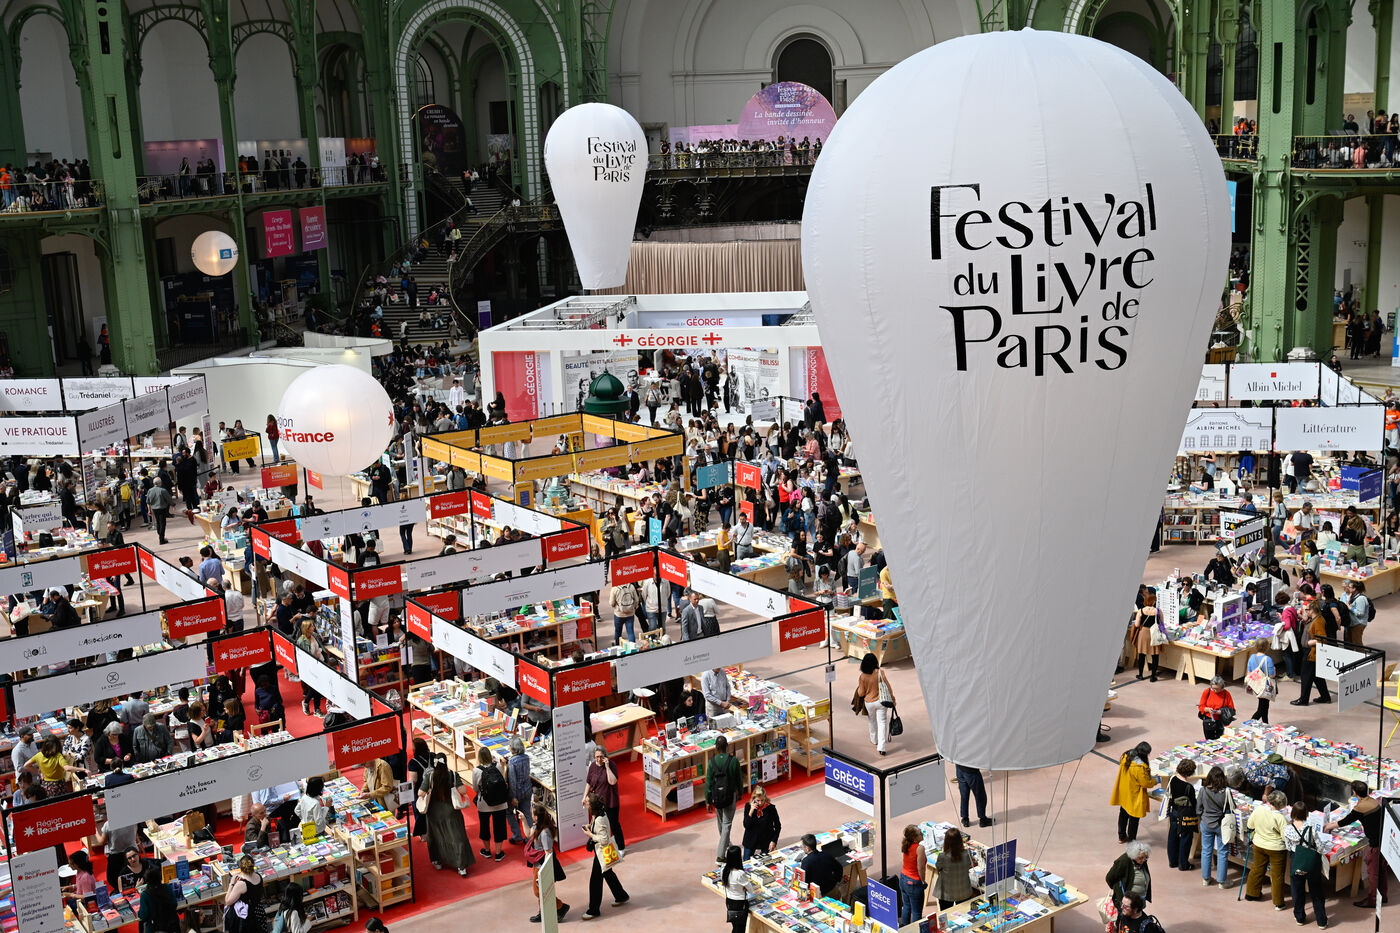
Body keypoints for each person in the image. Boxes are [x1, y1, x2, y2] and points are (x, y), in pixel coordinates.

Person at [1326, 780, 1387, 907]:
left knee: (1373, 873)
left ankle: (1373, 900)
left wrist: (1329, 826)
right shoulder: (1373, 802)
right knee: (1381, 870)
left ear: (1354, 792)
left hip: (1375, 844)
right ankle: (1383, 895)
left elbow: (1346, 821)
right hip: (1383, 840)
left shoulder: (1360, 808)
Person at [419, 757, 473, 876]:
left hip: (434, 812)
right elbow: (463, 790)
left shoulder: (430, 776)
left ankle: (437, 861)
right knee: (457, 837)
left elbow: (420, 793)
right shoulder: (452, 775)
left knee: (436, 836)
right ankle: (461, 866)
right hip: (451, 811)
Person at [582, 794, 629, 920]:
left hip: (601, 853)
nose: (585, 802)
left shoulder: (599, 819)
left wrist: (590, 835)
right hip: (602, 853)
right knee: (608, 874)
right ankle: (621, 896)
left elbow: (604, 839)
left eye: (587, 801)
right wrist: (590, 827)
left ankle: (593, 910)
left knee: (595, 882)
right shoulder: (599, 815)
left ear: (592, 806)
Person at [1284, 800, 1328, 927]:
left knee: (1297, 890)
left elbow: (1288, 846)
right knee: (1316, 891)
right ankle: (1321, 921)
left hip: (1296, 859)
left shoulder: (1287, 829)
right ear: (1306, 814)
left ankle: (1300, 917)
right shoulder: (1311, 829)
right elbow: (1320, 848)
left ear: (1293, 813)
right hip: (1311, 861)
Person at [524, 801, 569, 924]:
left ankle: (560, 906)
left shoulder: (544, 833)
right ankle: (542, 912)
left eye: (532, 814)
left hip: (542, 866)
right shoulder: (537, 827)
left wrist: (544, 871)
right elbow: (528, 834)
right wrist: (523, 820)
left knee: (538, 891)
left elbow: (548, 852)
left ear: (536, 817)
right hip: (537, 864)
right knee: (540, 890)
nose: (531, 816)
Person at [1244, 790, 1289, 908]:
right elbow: (1285, 837)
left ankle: (1251, 893)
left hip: (1259, 844)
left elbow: (1250, 825)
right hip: (1276, 848)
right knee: (1277, 875)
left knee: (1257, 868)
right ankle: (1278, 903)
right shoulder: (1280, 818)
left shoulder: (1259, 809)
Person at [705, 734, 743, 863]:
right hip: (730, 796)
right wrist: (740, 792)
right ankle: (720, 856)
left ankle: (726, 843)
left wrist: (708, 801)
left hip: (717, 797)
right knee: (726, 824)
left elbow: (708, 783)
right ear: (727, 746)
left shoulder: (711, 762)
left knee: (721, 822)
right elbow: (739, 779)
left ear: (716, 747)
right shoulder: (734, 761)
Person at [1110, 742, 1156, 843]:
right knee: (1134, 820)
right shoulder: (1140, 768)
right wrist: (1155, 780)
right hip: (1135, 795)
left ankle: (1121, 836)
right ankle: (1132, 841)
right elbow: (1145, 783)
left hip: (1124, 792)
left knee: (1123, 814)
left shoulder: (1126, 756)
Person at [470, 747, 509, 862]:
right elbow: (502, 781)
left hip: (484, 804)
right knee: (499, 827)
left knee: (484, 827)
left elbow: (475, 788)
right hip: (500, 803)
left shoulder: (476, 771)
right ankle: (498, 853)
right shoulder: (497, 766)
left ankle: (487, 850)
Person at [1292, 600, 1333, 706]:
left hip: (1311, 652)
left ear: (1312, 610)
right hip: (1311, 652)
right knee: (1316, 676)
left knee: (1305, 676)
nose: (1306, 611)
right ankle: (1325, 696)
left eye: (1307, 610)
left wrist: (1310, 642)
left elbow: (1322, 638)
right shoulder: (1314, 619)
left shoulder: (1318, 621)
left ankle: (1303, 699)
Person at [583, 746, 624, 853]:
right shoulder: (592, 766)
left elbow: (612, 781)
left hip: (610, 801)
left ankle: (621, 847)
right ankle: (600, 846)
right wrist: (584, 796)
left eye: (601, 757)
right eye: (597, 757)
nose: (599, 759)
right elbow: (588, 782)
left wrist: (607, 767)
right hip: (598, 803)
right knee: (598, 824)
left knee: (614, 824)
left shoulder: (612, 765)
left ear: (605, 756)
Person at [855, 652, 895, 755]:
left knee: (872, 720)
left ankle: (874, 739)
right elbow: (888, 687)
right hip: (881, 701)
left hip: (869, 702)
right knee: (882, 722)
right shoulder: (880, 673)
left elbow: (861, 693)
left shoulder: (862, 676)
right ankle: (882, 747)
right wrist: (893, 699)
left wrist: (859, 689)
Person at [933, 825, 979, 909]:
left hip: (946, 893)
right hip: (963, 891)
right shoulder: (967, 853)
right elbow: (973, 863)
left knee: (946, 913)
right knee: (963, 913)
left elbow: (938, 868)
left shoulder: (942, 856)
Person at [1165, 759, 1198, 871]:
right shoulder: (1188, 787)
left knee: (1172, 835)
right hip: (1185, 814)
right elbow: (1193, 803)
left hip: (1174, 811)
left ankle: (1172, 861)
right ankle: (1183, 864)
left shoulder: (1172, 779)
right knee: (1186, 838)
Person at [1105, 841, 1153, 917]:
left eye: (1146, 857)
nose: (1144, 860)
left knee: (1137, 919)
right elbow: (1109, 878)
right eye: (1141, 858)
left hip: (1139, 900)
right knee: (1125, 921)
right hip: (1127, 903)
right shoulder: (1124, 861)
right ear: (1133, 856)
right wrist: (1118, 891)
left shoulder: (1142, 861)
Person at [223, 853, 268, 933]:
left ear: (241, 868)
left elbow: (228, 901)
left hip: (247, 917)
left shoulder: (241, 884)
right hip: (259, 911)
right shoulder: (258, 876)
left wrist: (232, 884)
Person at [1130, 590, 1166, 681]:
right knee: (1155, 656)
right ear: (1153, 601)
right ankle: (1153, 676)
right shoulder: (1158, 611)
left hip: (1143, 633)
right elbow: (1162, 623)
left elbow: (1137, 624)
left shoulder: (1141, 611)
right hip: (1154, 634)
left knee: (1142, 655)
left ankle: (1140, 675)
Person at [721, 844, 757, 933]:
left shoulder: (724, 870)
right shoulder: (740, 873)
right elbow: (751, 890)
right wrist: (744, 888)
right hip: (740, 904)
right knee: (740, 928)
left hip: (729, 901)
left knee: (735, 925)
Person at [504, 736, 533, 844]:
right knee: (527, 813)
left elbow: (512, 781)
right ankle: (530, 837)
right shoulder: (526, 757)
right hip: (527, 789)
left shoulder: (512, 761)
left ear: (513, 748)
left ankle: (517, 835)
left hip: (517, 792)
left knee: (508, 812)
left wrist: (513, 797)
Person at [898, 825, 929, 924]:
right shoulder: (920, 848)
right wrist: (923, 881)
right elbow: (921, 868)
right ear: (914, 838)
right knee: (917, 912)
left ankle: (905, 927)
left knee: (906, 906)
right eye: (920, 833)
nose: (922, 834)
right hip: (914, 882)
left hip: (903, 878)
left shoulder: (907, 845)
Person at [740, 784, 781, 859]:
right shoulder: (748, 806)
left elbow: (778, 826)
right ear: (754, 798)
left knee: (767, 861)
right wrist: (751, 811)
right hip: (751, 839)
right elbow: (746, 825)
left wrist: (774, 841)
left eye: (762, 800)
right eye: (758, 800)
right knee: (746, 862)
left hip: (766, 840)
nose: (760, 803)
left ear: (765, 797)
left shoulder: (771, 808)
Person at [137, 865, 182, 933]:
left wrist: (139, 913)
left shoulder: (145, 895)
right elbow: (174, 903)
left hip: (155, 928)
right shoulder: (167, 887)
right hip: (172, 925)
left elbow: (143, 915)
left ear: (147, 881)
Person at [954, 763, 994, 828]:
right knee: (980, 795)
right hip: (971, 770)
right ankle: (983, 819)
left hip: (959, 767)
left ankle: (965, 818)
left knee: (964, 795)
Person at [1245, 645, 1277, 723]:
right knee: (1262, 709)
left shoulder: (1252, 657)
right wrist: (1275, 670)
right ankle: (1250, 723)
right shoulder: (1268, 659)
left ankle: (1266, 723)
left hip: (1256, 685)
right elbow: (1271, 675)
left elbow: (1249, 672)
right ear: (1267, 647)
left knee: (1264, 706)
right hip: (1265, 686)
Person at [609, 579, 639, 644]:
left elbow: (611, 603)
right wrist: (634, 607)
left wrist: (616, 607)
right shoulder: (631, 586)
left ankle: (618, 646)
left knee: (618, 632)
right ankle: (633, 647)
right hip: (630, 613)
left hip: (619, 614)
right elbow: (636, 600)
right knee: (630, 632)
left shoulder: (615, 588)